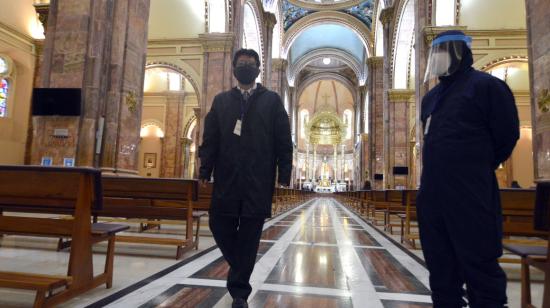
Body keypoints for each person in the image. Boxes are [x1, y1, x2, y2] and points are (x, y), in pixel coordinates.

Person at [418, 30, 519, 308]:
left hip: (471, 193)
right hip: (432, 195)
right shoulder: (431, 98)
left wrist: (473, 167)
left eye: (442, 53)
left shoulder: (487, 87)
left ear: (459, 53)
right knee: (439, 266)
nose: (437, 60)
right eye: (433, 55)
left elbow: (507, 136)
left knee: (479, 265)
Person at [198, 48, 292, 308]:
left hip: (258, 180)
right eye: (242, 63)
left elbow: (284, 139)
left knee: (250, 236)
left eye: (251, 64)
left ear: (259, 69)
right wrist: (205, 169)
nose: (246, 67)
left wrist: (284, 172)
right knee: (218, 224)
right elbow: (210, 140)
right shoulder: (221, 101)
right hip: (227, 177)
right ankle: (240, 266)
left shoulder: (272, 101)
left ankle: (239, 293)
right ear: (233, 69)